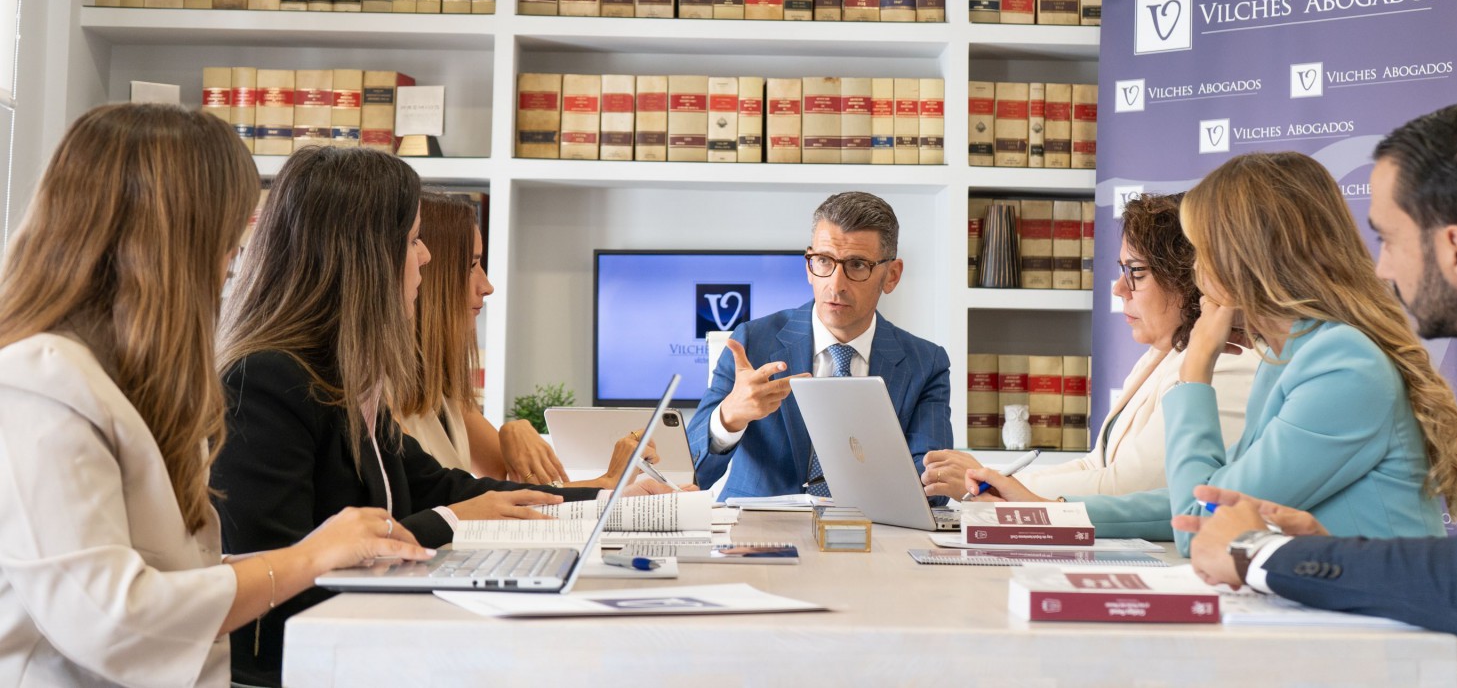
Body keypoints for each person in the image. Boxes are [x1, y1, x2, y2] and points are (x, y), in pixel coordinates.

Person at [0, 105, 431, 687]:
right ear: (168, 242)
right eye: (226, 241)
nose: (233, 263)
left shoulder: (113, 378)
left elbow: (174, 577)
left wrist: (327, 554)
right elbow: (113, 620)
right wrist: (306, 558)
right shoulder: (38, 383)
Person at [1183, 102, 1457, 688]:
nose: (1381, 269)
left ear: (1456, 250)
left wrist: (1259, 553)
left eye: (1388, 240)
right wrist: (1329, 554)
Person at [212, 147, 611, 686]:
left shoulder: (343, 380)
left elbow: (442, 487)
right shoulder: (264, 381)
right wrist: (451, 521)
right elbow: (279, 582)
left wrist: (607, 502)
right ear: (363, 256)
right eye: (413, 240)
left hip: (360, 651)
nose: (425, 258)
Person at [996, 151, 1457, 556]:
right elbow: (1205, 499)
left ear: (1244, 259)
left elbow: (1201, 523)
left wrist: (1195, 372)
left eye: (1202, 252)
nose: (1196, 272)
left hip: (1376, 629)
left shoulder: (1341, 366)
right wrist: (1048, 511)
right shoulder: (1291, 358)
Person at [920, 193, 1258, 501]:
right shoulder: (1160, 354)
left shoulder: (1226, 361)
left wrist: (993, 484)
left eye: (1136, 272)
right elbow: (1094, 465)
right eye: (1122, 270)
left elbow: (1131, 486)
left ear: (1189, 279)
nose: (1119, 288)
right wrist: (992, 480)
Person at [688, 191, 953, 498]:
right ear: (808, 265)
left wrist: (942, 476)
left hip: (870, 525)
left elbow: (932, 486)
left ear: (891, 276)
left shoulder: (926, 363)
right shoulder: (751, 341)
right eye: (824, 261)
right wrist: (729, 417)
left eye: (857, 265)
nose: (835, 285)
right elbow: (692, 472)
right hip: (758, 525)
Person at [396, 190, 649, 487]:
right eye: (471, 266)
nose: (487, 286)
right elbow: (466, 496)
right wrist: (610, 482)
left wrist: (513, 430)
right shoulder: (382, 398)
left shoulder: (443, 389)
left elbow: (518, 483)